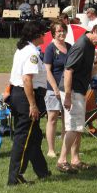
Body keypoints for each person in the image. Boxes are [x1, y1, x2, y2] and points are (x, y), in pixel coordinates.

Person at [57, 22, 97, 173]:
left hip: (79, 90)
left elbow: (86, 69)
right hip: (71, 90)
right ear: (94, 31)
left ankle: (75, 159)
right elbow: (68, 71)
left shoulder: (90, 45)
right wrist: (68, 96)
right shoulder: (81, 45)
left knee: (79, 127)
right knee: (73, 126)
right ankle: (62, 160)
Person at [7, 21, 50, 185]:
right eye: (43, 33)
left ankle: (42, 171)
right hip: (27, 97)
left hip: (18, 95)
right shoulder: (31, 53)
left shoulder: (22, 49)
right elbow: (27, 79)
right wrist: (32, 104)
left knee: (34, 136)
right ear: (37, 35)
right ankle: (15, 176)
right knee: (24, 138)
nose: (45, 35)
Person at [44, 20, 71, 158]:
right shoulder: (50, 48)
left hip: (67, 89)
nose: (61, 33)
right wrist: (55, 88)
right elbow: (47, 70)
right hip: (53, 89)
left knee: (67, 120)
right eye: (58, 31)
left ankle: (65, 149)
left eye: (63, 30)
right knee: (53, 118)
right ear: (53, 33)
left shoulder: (70, 47)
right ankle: (51, 149)